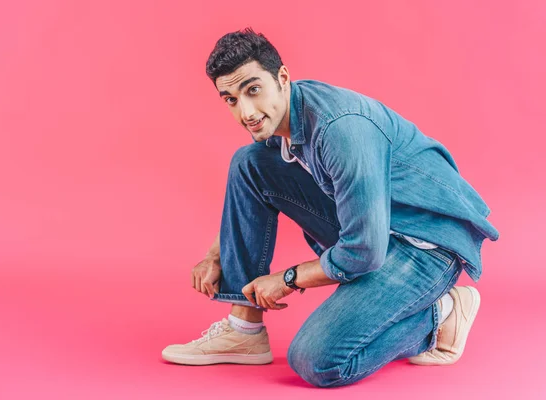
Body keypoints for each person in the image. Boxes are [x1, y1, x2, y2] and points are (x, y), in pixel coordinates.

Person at [161, 27, 499, 387]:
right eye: (230, 99)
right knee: (250, 162)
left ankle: (441, 313)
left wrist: (289, 278)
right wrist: (216, 254)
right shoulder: (289, 115)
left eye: (253, 90)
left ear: (283, 78)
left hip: (425, 243)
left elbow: (364, 251)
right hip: (375, 224)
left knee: (317, 360)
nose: (246, 112)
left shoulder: (341, 130)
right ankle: (243, 329)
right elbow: (256, 183)